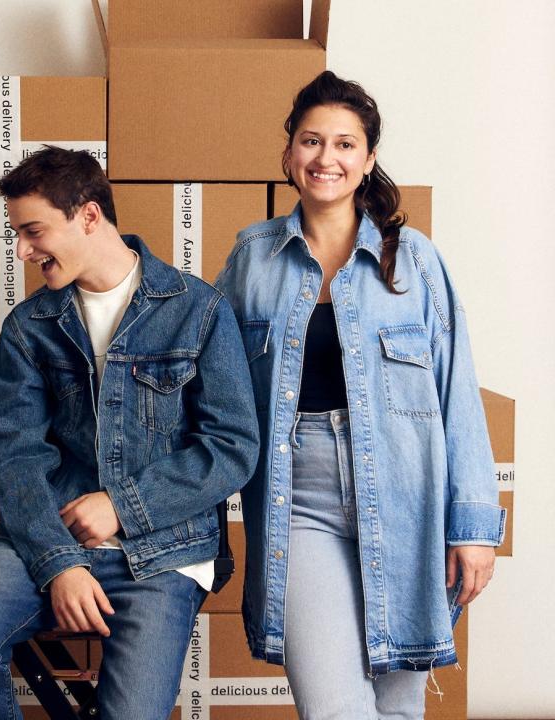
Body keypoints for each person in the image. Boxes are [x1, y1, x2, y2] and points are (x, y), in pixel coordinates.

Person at [0, 146, 259, 719]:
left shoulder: (198, 310)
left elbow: (233, 448)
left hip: (163, 552)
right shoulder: (30, 326)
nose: (24, 252)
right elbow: (12, 453)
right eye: (18, 236)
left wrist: (123, 507)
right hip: (49, 535)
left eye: (33, 232)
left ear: (88, 214)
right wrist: (60, 563)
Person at [215, 71, 505, 718]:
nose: (327, 159)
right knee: (335, 709)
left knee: (399, 709)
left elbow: (457, 393)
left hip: (408, 501)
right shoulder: (251, 259)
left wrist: (474, 527)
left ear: (368, 158)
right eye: (312, 142)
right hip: (298, 500)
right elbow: (212, 384)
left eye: (345, 145)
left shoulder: (416, 262)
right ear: (290, 152)